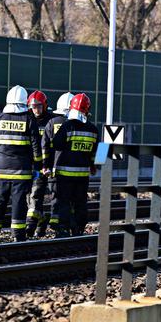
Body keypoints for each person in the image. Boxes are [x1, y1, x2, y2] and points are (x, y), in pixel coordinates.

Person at [0, 85, 42, 242]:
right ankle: (17, 234)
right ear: (24, 102)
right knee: (18, 202)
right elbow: (37, 149)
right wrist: (37, 167)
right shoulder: (29, 121)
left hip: (0, 169)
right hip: (21, 172)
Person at [50, 93, 98, 237]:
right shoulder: (93, 129)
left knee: (64, 202)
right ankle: (78, 228)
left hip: (65, 174)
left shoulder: (67, 126)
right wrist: (95, 165)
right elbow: (100, 150)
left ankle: (64, 228)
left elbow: (56, 144)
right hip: (83, 175)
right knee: (80, 202)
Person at [35, 92, 74, 238]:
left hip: (55, 168)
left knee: (56, 196)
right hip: (80, 173)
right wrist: (96, 165)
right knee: (73, 201)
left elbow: (46, 144)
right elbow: (98, 147)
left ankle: (57, 223)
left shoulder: (52, 122)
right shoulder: (83, 125)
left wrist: (46, 164)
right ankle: (71, 227)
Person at [25, 90, 53, 238]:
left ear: (45, 105)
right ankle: (42, 221)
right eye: (34, 107)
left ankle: (30, 226)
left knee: (36, 195)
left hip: (43, 166)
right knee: (28, 197)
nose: (36, 110)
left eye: (39, 106)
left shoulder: (51, 121)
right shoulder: (28, 119)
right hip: (28, 165)